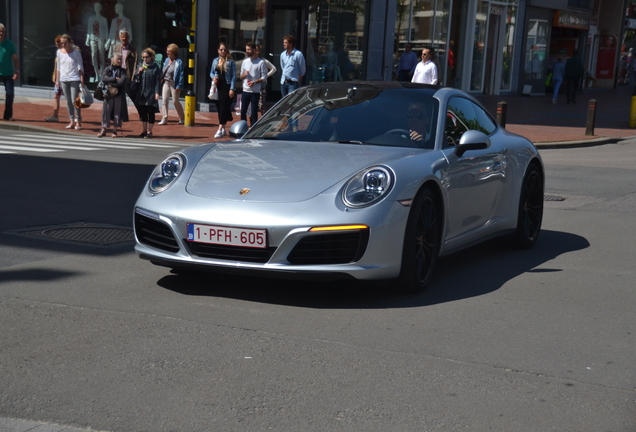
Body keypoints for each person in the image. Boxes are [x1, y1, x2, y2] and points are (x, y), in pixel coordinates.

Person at [56, 34, 84, 129]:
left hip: (74, 79)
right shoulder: (59, 52)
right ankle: (71, 120)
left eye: (65, 43)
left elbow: (80, 67)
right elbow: (58, 67)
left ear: (70, 42)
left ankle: (78, 121)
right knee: (68, 101)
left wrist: (82, 80)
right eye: (62, 43)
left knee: (74, 101)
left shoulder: (76, 52)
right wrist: (57, 80)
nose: (63, 45)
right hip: (64, 79)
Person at [98, 52, 128, 138]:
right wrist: (115, 78)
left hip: (118, 94)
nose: (119, 61)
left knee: (117, 112)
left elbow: (122, 82)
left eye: (120, 59)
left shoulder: (123, 71)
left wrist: (110, 80)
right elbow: (103, 79)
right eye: (118, 59)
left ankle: (115, 130)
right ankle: (103, 129)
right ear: (112, 60)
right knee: (106, 111)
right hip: (108, 94)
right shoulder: (108, 69)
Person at [209, 42, 236, 138]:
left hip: (226, 86)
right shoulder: (215, 61)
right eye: (221, 49)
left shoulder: (230, 62)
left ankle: (220, 128)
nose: (223, 51)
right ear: (218, 51)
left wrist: (232, 88)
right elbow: (211, 73)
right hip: (218, 87)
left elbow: (233, 76)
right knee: (219, 107)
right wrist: (213, 78)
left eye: (225, 49)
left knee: (224, 106)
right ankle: (223, 127)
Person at [134, 48, 161, 138]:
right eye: (143, 57)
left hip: (151, 93)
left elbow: (157, 81)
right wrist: (138, 72)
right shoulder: (140, 65)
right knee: (143, 112)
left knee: (151, 112)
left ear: (151, 57)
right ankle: (144, 131)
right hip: (141, 93)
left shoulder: (155, 67)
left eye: (147, 57)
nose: (145, 59)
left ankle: (150, 131)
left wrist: (157, 92)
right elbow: (135, 78)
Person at [240, 42, 268, 127]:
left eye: (249, 49)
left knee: (254, 111)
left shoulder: (260, 62)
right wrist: (244, 75)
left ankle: (253, 128)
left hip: (255, 92)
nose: (247, 51)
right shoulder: (245, 62)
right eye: (246, 49)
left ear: (254, 50)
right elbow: (241, 76)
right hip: (245, 90)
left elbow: (264, 77)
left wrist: (255, 82)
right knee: (243, 111)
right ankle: (243, 127)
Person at [158, 43, 184, 125]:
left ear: (173, 52)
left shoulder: (179, 62)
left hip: (174, 83)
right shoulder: (166, 60)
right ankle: (164, 118)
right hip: (166, 82)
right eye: (167, 51)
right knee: (164, 101)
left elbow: (181, 74)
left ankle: (182, 118)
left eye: (169, 51)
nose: (167, 52)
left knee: (175, 101)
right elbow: (163, 70)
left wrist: (179, 85)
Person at [0, 23, 19, 122]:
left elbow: (15, 58)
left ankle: (8, 115)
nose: (1, 33)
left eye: (2, 31)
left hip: (8, 73)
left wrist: (17, 71)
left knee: (10, 94)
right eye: (0, 31)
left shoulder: (9, 44)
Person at [113, 29, 138, 100]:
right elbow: (113, 61)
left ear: (128, 38)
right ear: (120, 38)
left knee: (128, 93)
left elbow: (135, 64)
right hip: (118, 73)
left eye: (126, 37)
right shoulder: (116, 48)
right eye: (122, 37)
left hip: (127, 74)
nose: (124, 39)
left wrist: (133, 76)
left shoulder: (133, 50)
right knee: (117, 92)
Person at [86, 2, 108, 78]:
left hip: (101, 39)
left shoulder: (104, 19)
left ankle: (101, 73)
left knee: (101, 56)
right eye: (95, 7)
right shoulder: (91, 19)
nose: (97, 8)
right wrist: (87, 39)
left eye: (98, 7)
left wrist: (107, 42)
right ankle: (96, 73)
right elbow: (89, 30)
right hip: (93, 39)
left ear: (100, 8)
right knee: (93, 55)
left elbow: (106, 31)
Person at [45, 35, 64, 122]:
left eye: (58, 43)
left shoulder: (70, 51)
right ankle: (55, 116)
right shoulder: (58, 52)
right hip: (59, 78)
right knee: (56, 96)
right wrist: (54, 75)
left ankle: (76, 117)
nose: (57, 45)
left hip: (68, 78)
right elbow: (57, 66)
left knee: (72, 98)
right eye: (56, 44)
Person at [255, 44, 276, 114]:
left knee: (261, 105)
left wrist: (266, 76)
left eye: (257, 50)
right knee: (253, 105)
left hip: (261, 85)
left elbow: (274, 68)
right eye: (254, 50)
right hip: (253, 85)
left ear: (259, 51)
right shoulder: (250, 61)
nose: (255, 52)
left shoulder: (263, 61)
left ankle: (262, 118)